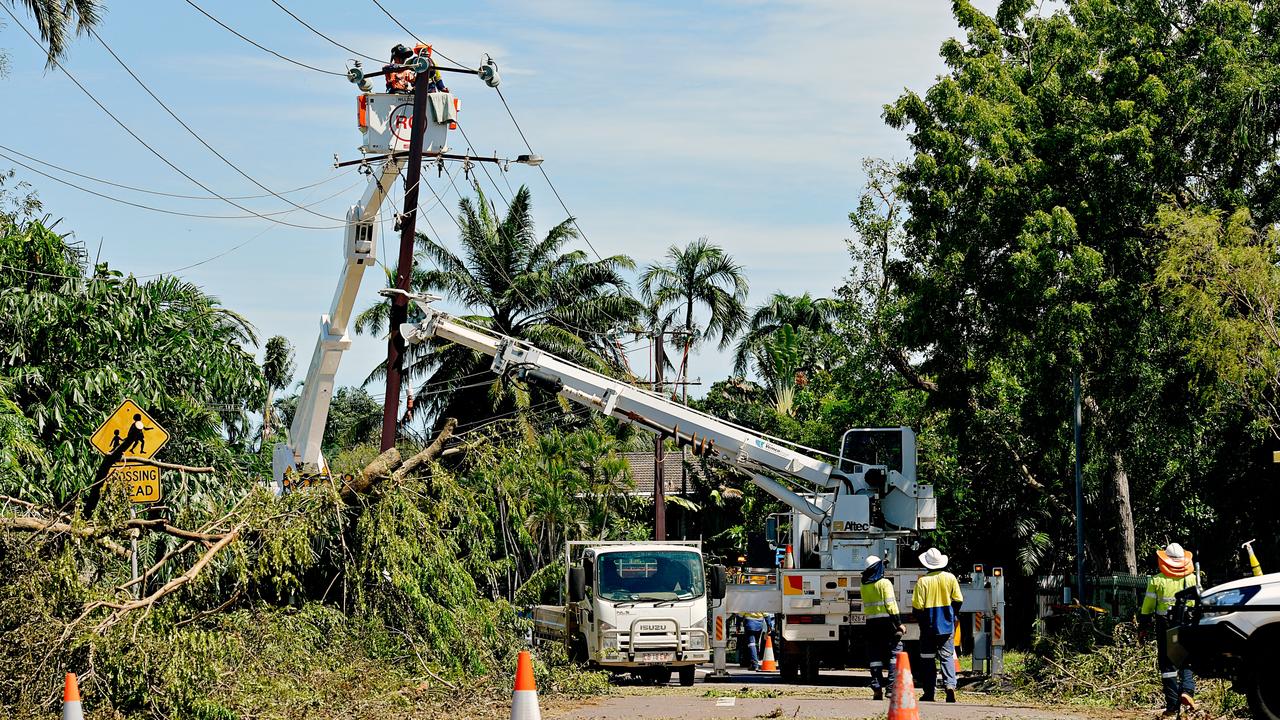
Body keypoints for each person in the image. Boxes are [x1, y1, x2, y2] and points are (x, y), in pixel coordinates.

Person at [1140, 542, 1198, 717]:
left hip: (1165, 626)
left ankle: (1172, 706)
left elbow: (1147, 607)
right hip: (1187, 624)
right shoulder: (1192, 579)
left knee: (1168, 665)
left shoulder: (1157, 580)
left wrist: (1142, 628)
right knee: (1186, 659)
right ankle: (1187, 691)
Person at [911, 547, 963, 703]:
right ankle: (950, 686)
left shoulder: (922, 581)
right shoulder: (950, 578)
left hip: (928, 627)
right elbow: (958, 600)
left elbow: (917, 607)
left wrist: (922, 622)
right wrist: (951, 616)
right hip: (946, 625)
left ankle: (929, 692)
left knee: (928, 659)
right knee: (947, 657)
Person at [860, 555, 905, 700]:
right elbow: (891, 605)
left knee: (875, 657)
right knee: (895, 653)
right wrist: (899, 624)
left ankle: (877, 688)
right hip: (887, 624)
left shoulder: (864, 585)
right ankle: (890, 689)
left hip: (871, 624)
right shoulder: (885, 583)